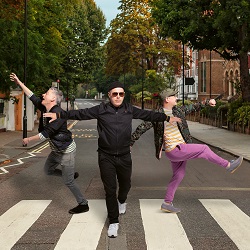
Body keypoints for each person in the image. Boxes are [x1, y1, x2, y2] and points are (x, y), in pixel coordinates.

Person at [44, 81, 181, 238]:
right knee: (109, 190)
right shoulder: (101, 109)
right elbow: (80, 114)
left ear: (124, 95)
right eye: (114, 94)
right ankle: (114, 222)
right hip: (105, 156)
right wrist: (59, 114)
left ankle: (122, 201)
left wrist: (166, 118)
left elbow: (147, 114)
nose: (118, 96)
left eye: (121, 94)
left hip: (124, 156)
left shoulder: (129, 109)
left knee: (125, 185)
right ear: (109, 95)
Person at [130, 88, 243, 213]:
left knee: (179, 174)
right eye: (174, 96)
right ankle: (228, 165)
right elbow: (141, 128)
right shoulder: (157, 115)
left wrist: (208, 102)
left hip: (178, 149)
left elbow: (194, 107)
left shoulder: (178, 111)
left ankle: (167, 203)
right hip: (175, 149)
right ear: (167, 99)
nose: (176, 98)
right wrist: (130, 142)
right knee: (204, 149)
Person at [9, 73, 89, 214]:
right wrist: (19, 82)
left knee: (68, 182)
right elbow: (31, 95)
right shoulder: (44, 107)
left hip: (66, 151)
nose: (43, 94)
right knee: (48, 170)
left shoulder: (58, 114)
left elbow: (45, 134)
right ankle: (69, 174)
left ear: (53, 98)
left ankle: (83, 204)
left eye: (46, 93)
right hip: (56, 150)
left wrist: (28, 139)